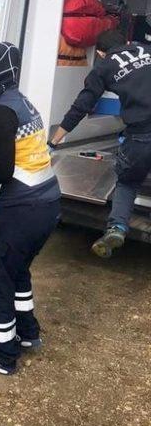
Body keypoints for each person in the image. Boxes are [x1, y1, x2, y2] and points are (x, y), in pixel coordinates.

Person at [0, 43, 60, 376]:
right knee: (19, 269)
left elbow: (2, 170)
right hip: (47, 202)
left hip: (20, 209)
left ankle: (3, 356)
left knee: (0, 279)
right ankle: (28, 333)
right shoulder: (19, 100)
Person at [50, 29, 151, 258]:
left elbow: (82, 106)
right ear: (127, 41)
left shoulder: (104, 67)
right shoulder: (147, 50)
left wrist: (54, 141)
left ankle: (117, 227)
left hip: (140, 136)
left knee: (127, 182)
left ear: (102, 53)